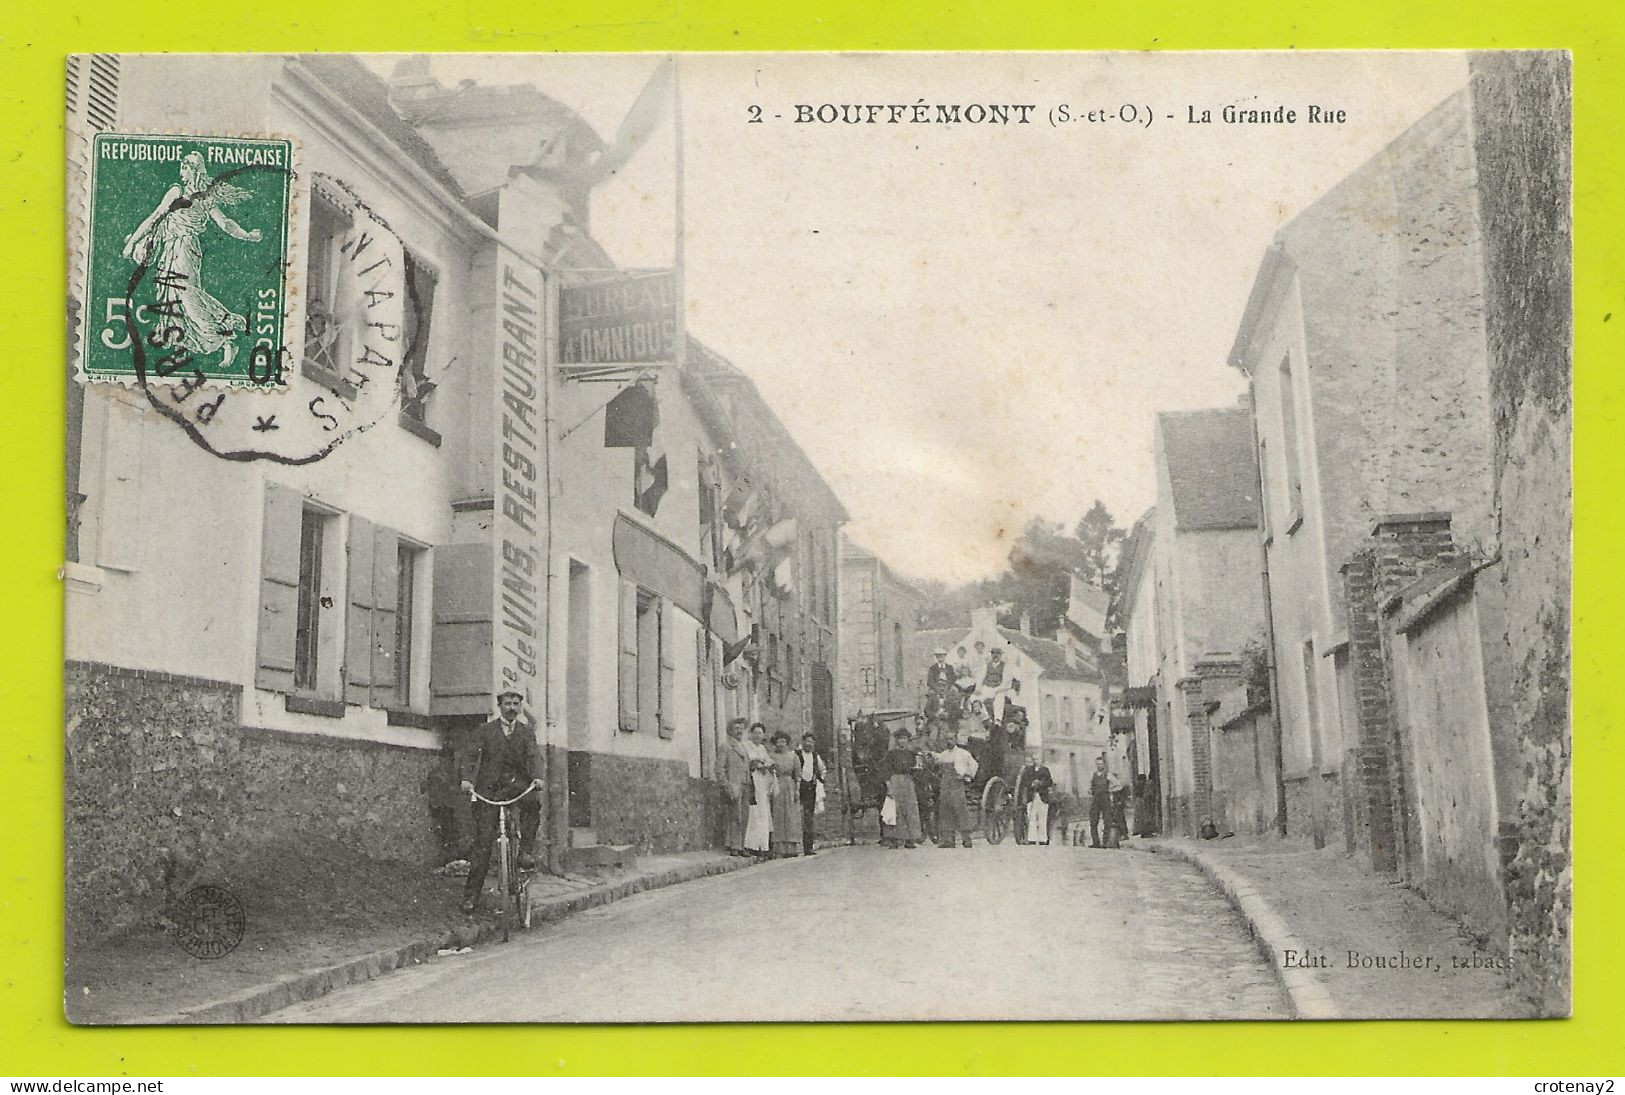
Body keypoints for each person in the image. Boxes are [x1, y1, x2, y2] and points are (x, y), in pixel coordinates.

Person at [120, 152, 262, 369]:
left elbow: (225, 223)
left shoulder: (205, 198)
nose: (183, 169)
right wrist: (133, 243)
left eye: (188, 166)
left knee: (187, 296)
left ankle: (226, 333)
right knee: (173, 300)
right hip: (169, 248)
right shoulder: (175, 191)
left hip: (187, 248)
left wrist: (247, 235)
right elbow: (155, 217)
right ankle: (198, 344)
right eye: (183, 165)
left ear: (197, 171)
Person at [459, 689, 544, 913]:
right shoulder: (485, 731)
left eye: (516, 704)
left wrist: (537, 777)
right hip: (490, 789)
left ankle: (525, 851)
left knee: (533, 803)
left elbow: (533, 756)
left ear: (520, 707)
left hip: (516, 785)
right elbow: (470, 755)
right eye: (507, 704)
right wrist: (467, 780)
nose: (512, 708)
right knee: (483, 844)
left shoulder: (526, 733)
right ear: (499, 706)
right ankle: (471, 897)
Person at [930, 732, 979, 848]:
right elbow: (937, 759)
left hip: (957, 785)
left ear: (956, 740)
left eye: (951, 739)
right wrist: (930, 754)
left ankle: (966, 839)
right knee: (945, 810)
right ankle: (948, 840)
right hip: (945, 784)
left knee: (960, 810)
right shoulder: (944, 754)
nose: (949, 741)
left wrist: (966, 775)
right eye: (947, 739)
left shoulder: (963, 754)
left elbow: (974, 765)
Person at [880, 728, 923, 848]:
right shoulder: (891, 754)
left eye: (904, 738)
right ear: (896, 740)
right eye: (899, 739)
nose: (902, 741)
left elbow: (917, 769)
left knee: (910, 808)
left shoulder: (911, 754)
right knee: (895, 809)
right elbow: (885, 771)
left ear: (907, 740)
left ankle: (910, 839)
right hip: (896, 780)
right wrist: (889, 786)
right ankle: (895, 839)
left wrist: (918, 766)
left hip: (908, 781)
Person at [768, 731, 804, 857]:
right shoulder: (771, 756)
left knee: (790, 815)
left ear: (787, 743)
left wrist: (797, 790)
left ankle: (791, 847)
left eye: (783, 741)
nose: (781, 744)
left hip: (790, 786)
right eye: (778, 742)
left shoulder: (793, 756)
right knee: (777, 815)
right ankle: (779, 847)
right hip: (776, 785)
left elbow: (798, 775)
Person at [721, 718, 753, 855]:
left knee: (744, 816)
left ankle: (741, 845)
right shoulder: (726, 746)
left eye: (741, 728)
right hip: (734, 785)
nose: (739, 731)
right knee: (735, 817)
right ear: (730, 731)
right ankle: (734, 846)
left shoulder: (743, 747)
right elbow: (720, 768)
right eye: (736, 728)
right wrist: (726, 785)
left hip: (746, 784)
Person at [794, 732, 828, 856]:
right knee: (798, 816)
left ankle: (808, 847)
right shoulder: (796, 754)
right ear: (802, 742)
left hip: (810, 788)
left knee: (808, 817)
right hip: (798, 786)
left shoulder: (815, 756)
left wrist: (819, 778)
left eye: (811, 742)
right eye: (807, 741)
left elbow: (823, 769)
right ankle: (796, 846)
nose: (809, 744)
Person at [744, 723, 774, 856]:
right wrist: (755, 765)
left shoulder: (762, 748)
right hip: (752, 781)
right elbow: (746, 763)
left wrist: (769, 766)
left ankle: (763, 845)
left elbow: (768, 762)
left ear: (763, 735)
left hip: (762, 783)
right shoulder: (746, 746)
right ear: (750, 734)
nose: (757, 735)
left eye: (760, 733)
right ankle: (751, 845)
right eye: (755, 733)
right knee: (753, 813)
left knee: (763, 812)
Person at [1024, 762, 1055, 845]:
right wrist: (1032, 784)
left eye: (1038, 758)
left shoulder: (1045, 770)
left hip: (1043, 797)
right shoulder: (1029, 770)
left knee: (1042, 818)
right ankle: (1031, 839)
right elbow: (1025, 782)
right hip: (1032, 797)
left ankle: (1043, 839)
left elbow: (1050, 782)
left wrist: (1041, 783)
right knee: (1032, 818)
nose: (1037, 760)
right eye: (1035, 758)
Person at [1087, 754, 1111, 848]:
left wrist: (1110, 791)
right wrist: (1090, 792)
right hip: (1096, 799)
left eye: (1101, 764)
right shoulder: (1093, 775)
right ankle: (1095, 842)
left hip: (1105, 799)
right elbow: (1090, 787)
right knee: (1093, 821)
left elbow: (1118, 785)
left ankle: (1105, 842)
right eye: (1097, 764)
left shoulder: (1108, 775)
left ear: (1103, 765)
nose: (1099, 766)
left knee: (1107, 820)